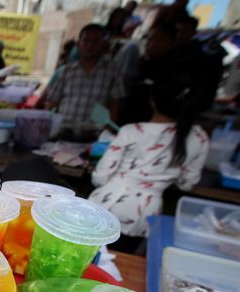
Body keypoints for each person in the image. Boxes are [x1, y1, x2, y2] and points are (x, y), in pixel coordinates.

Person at [89, 74, 208, 253]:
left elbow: (100, 178)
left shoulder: (131, 132)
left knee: (90, 259)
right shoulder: (199, 138)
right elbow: (186, 183)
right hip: (145, 213)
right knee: (120, 264)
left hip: (108, 205)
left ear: (152, 100)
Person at [45, 24, 125, 123]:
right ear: (78, 45)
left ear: (104, 45)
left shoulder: (113, 71)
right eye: (86, 40)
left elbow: (116, 103)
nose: (90, 45)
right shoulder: (67, 71)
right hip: (63, 129)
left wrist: (109, 129)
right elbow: (53, 101)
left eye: (96, 41)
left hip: (95, 132)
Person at [120, 22, 179, 125]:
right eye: (149, 39)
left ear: (168, 42)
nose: (148, 43)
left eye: (153, 39)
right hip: (129, 120)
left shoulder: (172, 70)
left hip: (150, 125)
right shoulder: (145, 63)